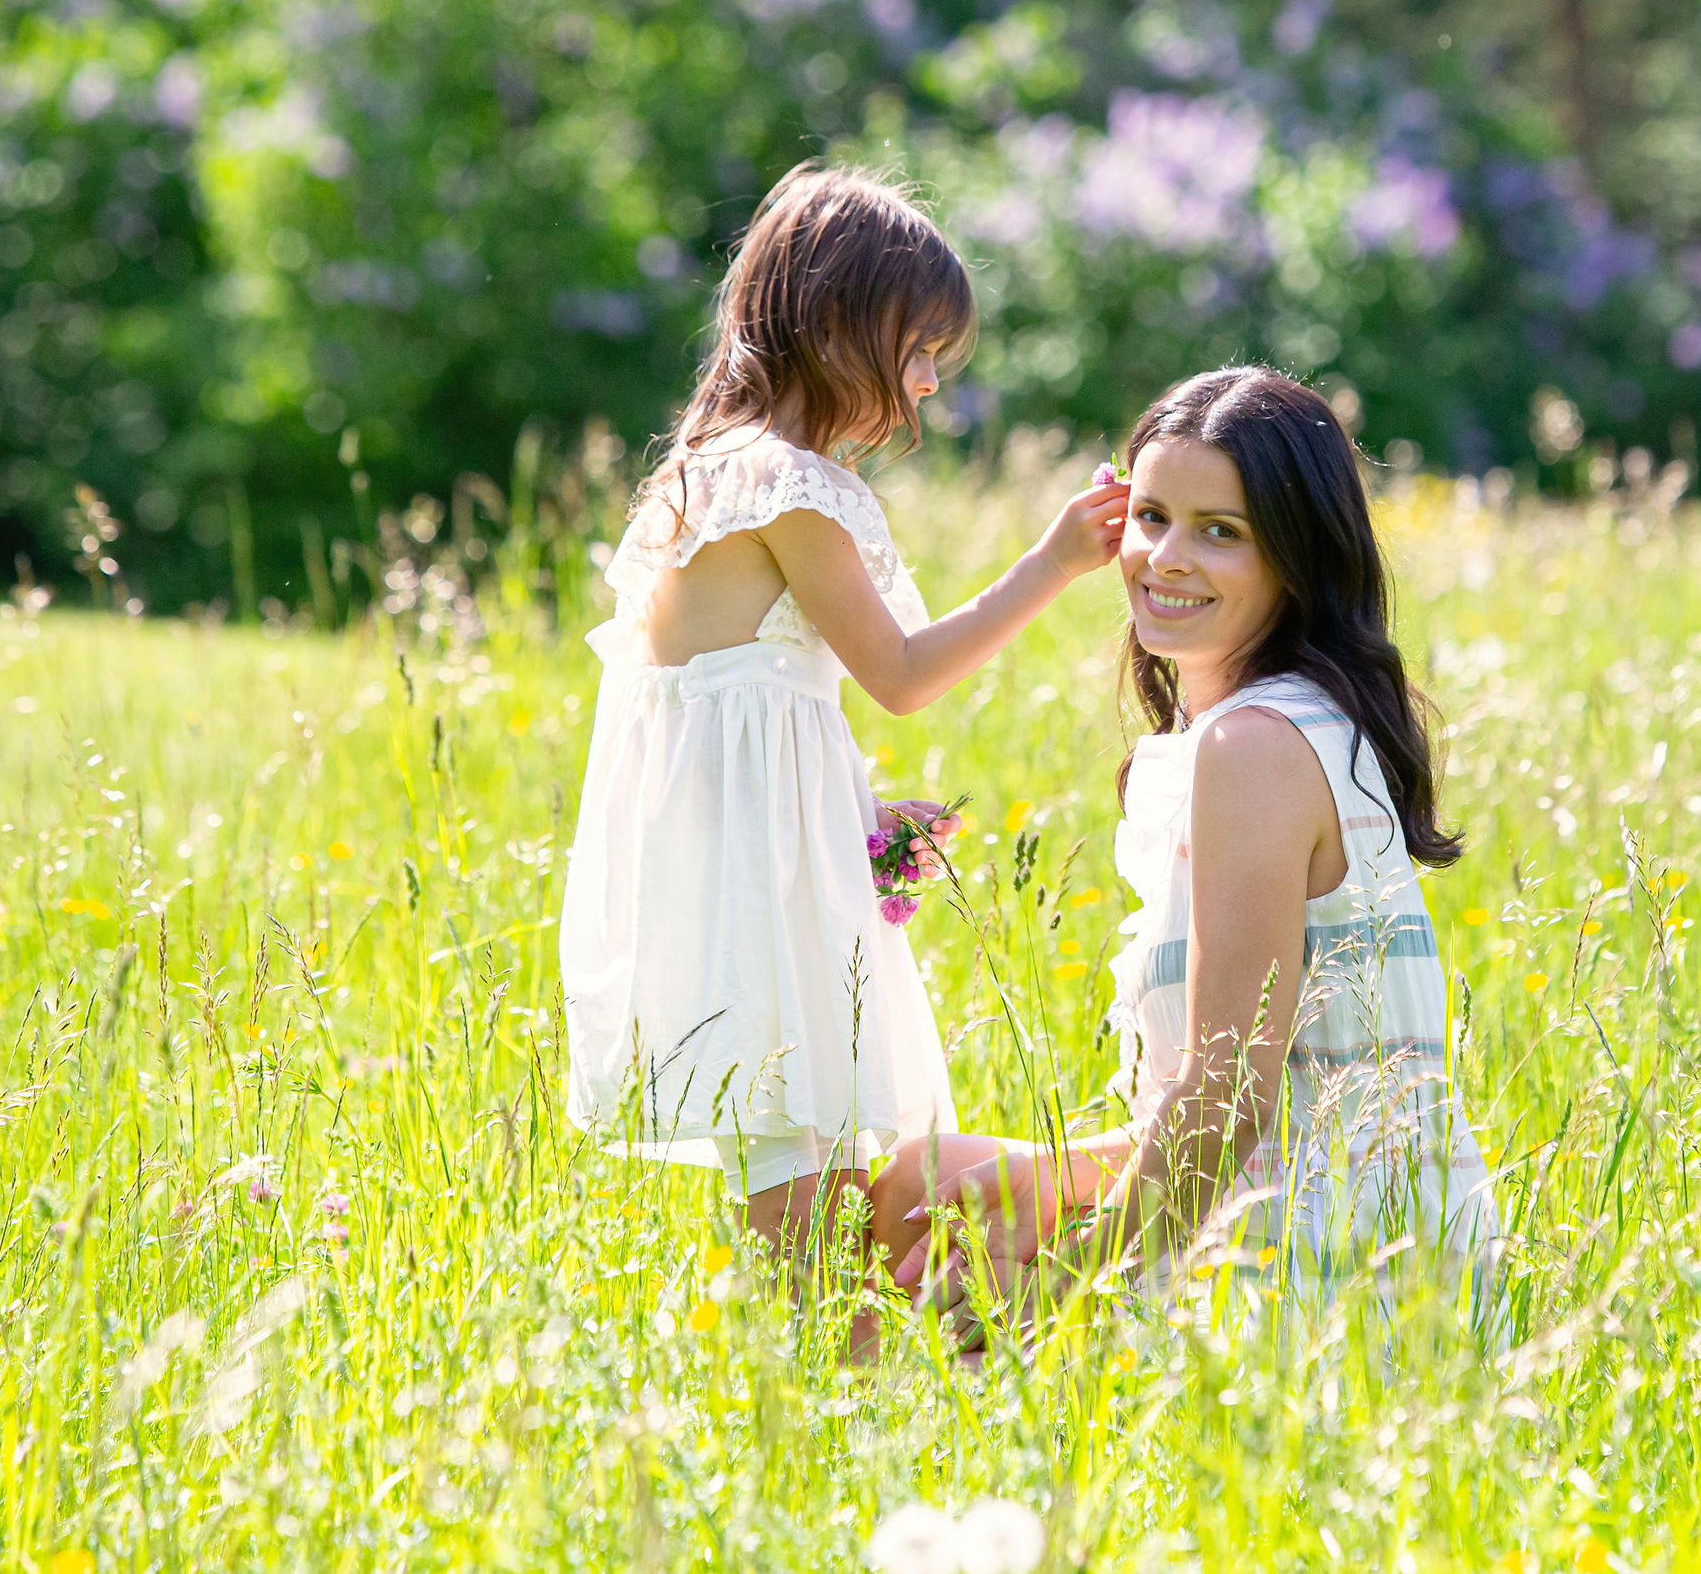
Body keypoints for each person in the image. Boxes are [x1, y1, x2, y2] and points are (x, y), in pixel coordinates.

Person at [560, 164, 1130, 1278]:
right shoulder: (790, 486)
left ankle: (866, 1383)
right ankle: (860, 1391)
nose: (923, 386)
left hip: (737, 876)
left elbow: (729, 699)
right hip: (756, 899)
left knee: (807, 1173)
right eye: (914, 350)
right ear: (834, 326)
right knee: (809, 1197)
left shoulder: (709, 473)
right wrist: (1051, 562)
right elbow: (901, 676)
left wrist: (855, 812)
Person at [871, 366, 1496, 1340]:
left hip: (1328, 1274)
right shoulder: (1279, 727)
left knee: (926, 1269)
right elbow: (1266, 1099)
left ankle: (871, 1461)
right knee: (919, 1186)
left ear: (1297, 559)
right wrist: (1049, 1176)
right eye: (1151, 515)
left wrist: (1064, 1286)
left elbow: (1230, 1094)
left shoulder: (1254, 748)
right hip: (1287, 1206)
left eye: (1221, 532)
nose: (1164, 557)